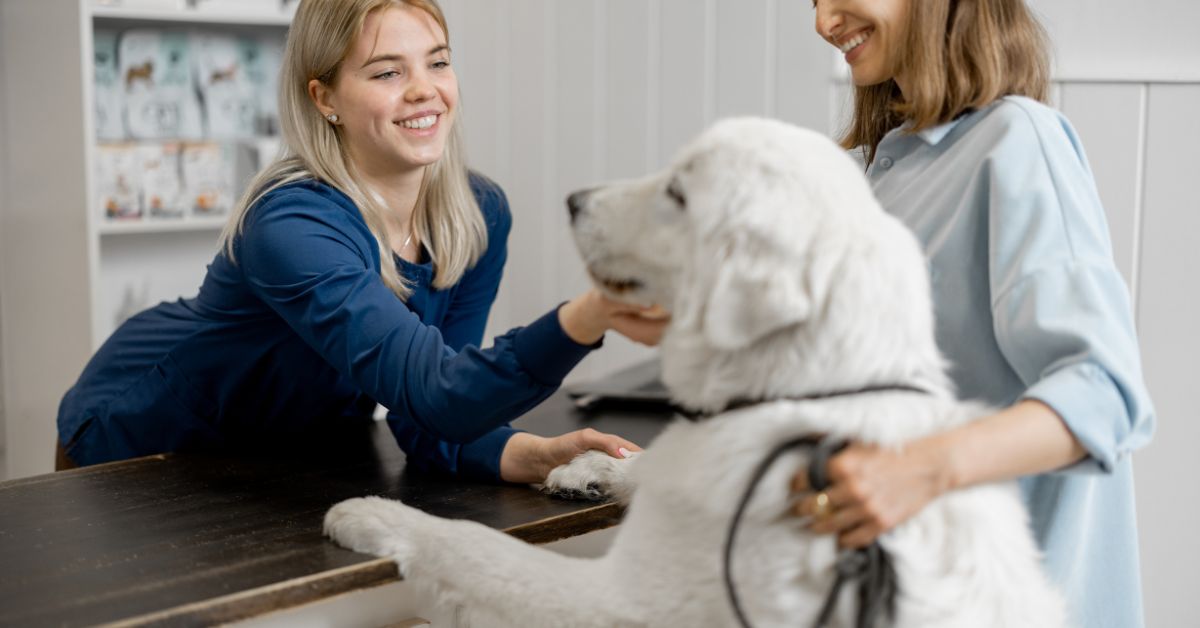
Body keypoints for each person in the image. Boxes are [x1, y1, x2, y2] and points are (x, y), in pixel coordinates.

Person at [56, 0, 667, 484]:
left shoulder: (477, 215)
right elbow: (439, 395)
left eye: (438, 61)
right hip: (144, 444)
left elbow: (428, 414)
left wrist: (536, 453)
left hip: (292, 458)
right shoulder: (289, 224)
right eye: (387, 72)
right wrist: (585, 317)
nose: (425, 89)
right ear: (325, 99)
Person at [794, 1, 1155, 626]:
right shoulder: (884, 172)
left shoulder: (1017, 139)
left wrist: (918, 470)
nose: (824, 22)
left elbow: (1105, 393)